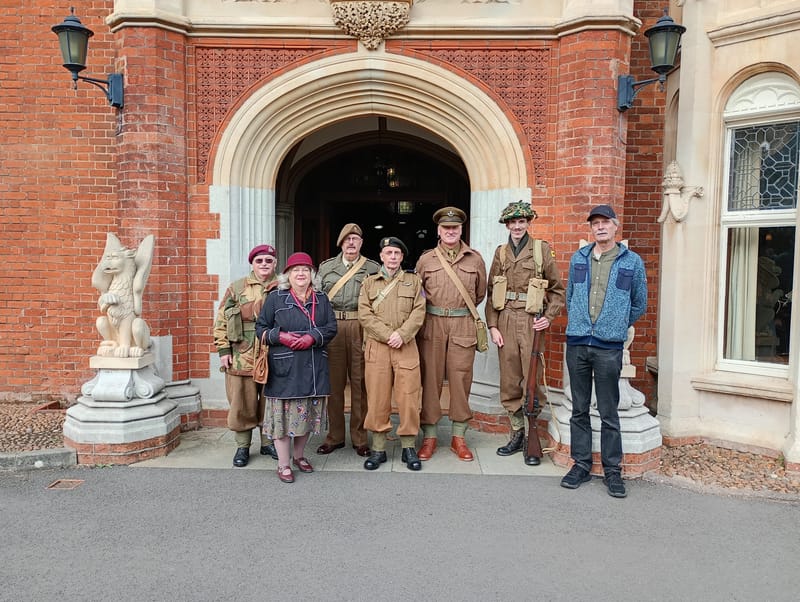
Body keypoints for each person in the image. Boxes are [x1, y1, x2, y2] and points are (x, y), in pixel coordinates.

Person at [560, 205, 647, 498]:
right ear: (591, 229)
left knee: (609, 411)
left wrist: (617, 323)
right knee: (579, 408)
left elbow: (639, 302)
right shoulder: (579, 258)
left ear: (615, 226)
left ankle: (612, 471)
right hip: (578, 343)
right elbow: (570, 295)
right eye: (595, 223)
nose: (600, 227)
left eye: (605, 222)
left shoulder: (631, 261)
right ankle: (581, 465)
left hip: (609, 347)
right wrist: (581, 322)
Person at [485, 201, 565, 466]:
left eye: (522, 221)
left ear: (528, 223)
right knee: (509, 379)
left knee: (531, 379)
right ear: (507, 225)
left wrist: (548, 318)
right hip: (506, 318)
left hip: (532, 321)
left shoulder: (541, 250)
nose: (517, 226)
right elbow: (491, 292)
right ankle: (517, 433)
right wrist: (493, 326)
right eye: (513, 222)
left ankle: (532, 433)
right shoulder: (501, 253)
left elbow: (557, 291)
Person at [256, 252, 337, 483]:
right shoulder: (276, 298)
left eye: (305, 270)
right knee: (282, 420)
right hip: (285, 367)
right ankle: (283, 464)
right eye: (295, 270)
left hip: (313, 366)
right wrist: (280, 336)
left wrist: (313, 337)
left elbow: (331, 327)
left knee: (307, 417)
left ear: (312, 275)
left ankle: (299, 456)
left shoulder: (321, 298)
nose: (301, 274)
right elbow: (261, 328)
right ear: (287, 275)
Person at [415, 206, 487, 461]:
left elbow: (480, 293)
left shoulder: (475, 259)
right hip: (432, 323)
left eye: (454, 227)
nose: (450, 231)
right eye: (446, 228)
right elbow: (417, 292)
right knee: (430, 380)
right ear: (438, 230)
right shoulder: (426, 260)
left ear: (461, 230)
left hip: (462, 323)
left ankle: (459, 437)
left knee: (461, 380)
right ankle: (430, 436)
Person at [358, 236, 426, 471]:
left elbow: (419, 311)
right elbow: (364, 314)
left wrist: (402, 335)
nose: (393, 257)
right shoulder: (369, 283)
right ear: (381, 256)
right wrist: (388, 335)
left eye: (397, 253)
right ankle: (378, 448)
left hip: (405, 346)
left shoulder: (414, 281)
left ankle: (409, 447)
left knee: (409, 397)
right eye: (389, 253)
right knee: (377, 398)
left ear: (402, 257)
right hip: (378, 347)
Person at [213, 244, 281, 467]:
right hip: (242, 353)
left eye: (269, 260)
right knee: (241, 401)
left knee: (271, 400)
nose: (264, 264)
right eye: (259, 260)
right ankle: (242, 446)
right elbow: (221, 320)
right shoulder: (237, 287)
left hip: (274, 352)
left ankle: (268, 443)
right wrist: (223, 350)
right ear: (252, 263)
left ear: (275, 263)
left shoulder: (284, 286)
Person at [317, 223, 380, 457]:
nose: (351, 243)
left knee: (360, 384)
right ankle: (334, 436)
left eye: (355, 239)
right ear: (341, 244)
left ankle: (360, 437)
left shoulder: (372, 268)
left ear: (361, 243)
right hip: (333, 326)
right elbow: (316, 299)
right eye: (347, 240)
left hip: (361, 326)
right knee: (333, 385)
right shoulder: (326, 268)